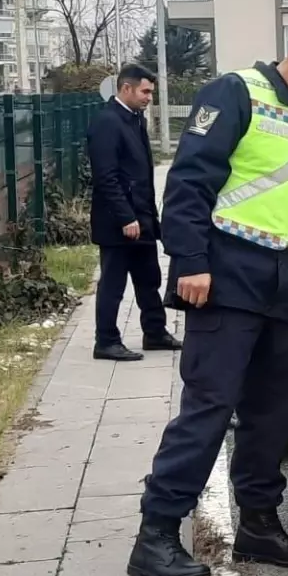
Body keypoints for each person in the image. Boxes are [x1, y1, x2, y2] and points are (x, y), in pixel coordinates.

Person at [127, 9, 288, 576]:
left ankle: (259, 523)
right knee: (210, 407)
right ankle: (156, 533)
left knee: (273, 412)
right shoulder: (237, 93)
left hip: (284, 285)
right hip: (228, 279)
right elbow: (189, 182)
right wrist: (189, 262)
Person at [87, 64, 180, 362]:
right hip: (118, 223)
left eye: (151, 92)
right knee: (113, 284)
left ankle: (155, 332)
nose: (149, 97)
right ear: (126, 88)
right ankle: (106, 341)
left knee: (148, 277)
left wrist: (149, 218)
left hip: (142, 219)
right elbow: (107, 177)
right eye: (145, 91)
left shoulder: (134, 120)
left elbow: (139, 175)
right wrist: (126, 217)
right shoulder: (107, 122)